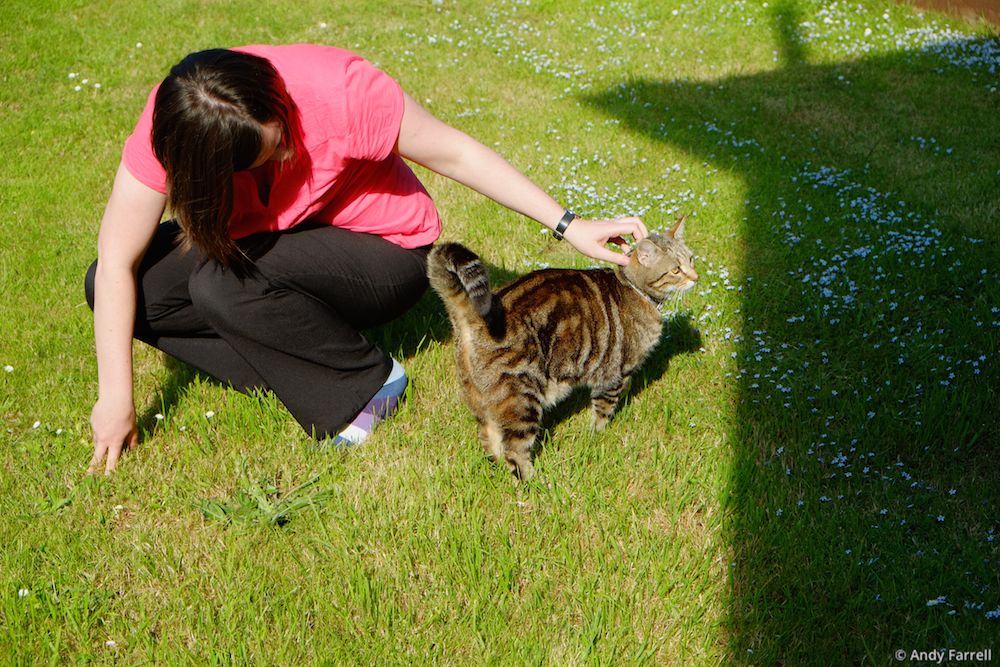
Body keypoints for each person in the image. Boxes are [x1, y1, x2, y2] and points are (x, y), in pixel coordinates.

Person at [84, 44, 647, 474]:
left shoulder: (342, 90)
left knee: (216, 286)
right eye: (268, 156)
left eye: (283, 133)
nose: (288, 152)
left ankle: (369, 386)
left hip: (384, 252)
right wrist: (117, 399)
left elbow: (455, 151)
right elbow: (115, 260)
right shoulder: (178, 128)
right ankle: (288, 362)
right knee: (128, 292)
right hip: (278, 244)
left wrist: (571, 226)